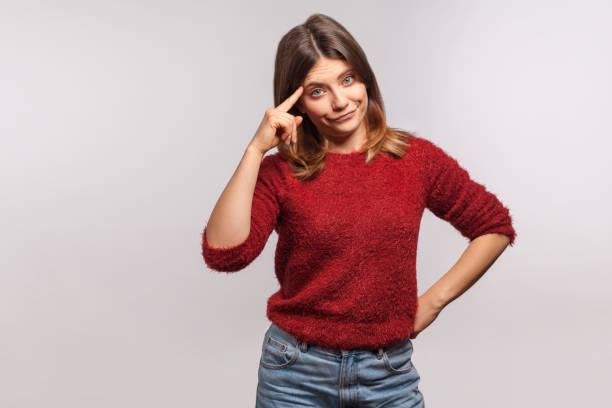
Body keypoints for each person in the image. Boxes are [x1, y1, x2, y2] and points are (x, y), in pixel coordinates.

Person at [201, 13, 516, 408]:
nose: (339, 102)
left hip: (388, 373)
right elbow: (226, 254)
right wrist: (254, 151)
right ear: (294, 101)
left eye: (348, 80)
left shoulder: (415, 160)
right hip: (294, 372)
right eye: (317, 91)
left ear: (365, 78)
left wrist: (432, 302)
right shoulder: (282, 172)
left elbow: (495, 226)